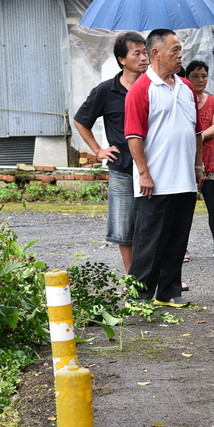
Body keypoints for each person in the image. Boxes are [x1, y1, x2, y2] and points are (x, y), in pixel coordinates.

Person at [123, 29, 203, 307]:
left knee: (177, 241)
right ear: (155, 53)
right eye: (175, 50)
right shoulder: (140, 89)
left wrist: (198, 165)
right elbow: (134, 136)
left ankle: (168, 292)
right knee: (148, 243)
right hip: (155, 181)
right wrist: (143, 173)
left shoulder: (186, 87)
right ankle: (138, 296)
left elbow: (196, 131)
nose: (180, 55)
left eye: (181, 50)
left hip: (185, 179)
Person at [72, 31, 147, 272]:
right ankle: (133, 278)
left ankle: (159, 277)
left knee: (153, 225)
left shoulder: (154, 87)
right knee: (124, 228)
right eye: (137, 53)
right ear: (122, 59)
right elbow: (81, 120)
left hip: (153, 167)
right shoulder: (106, 90)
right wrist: (98, 150)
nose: (144, 57)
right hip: (123, 168)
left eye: (145, 52)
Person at [185, 60, 214, 259]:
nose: (200, 80)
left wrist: (196, 136)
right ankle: (181, 248)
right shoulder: (182, 99)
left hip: (208, 161)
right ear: (186, 78)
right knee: (184, 207)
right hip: (185, 161)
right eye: (195, 75)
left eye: (204, 76)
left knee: (213, 204)